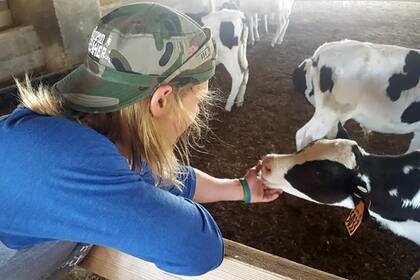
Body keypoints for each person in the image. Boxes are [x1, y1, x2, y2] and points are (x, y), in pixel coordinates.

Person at [0, 3, 282, 279]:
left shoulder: (72, 134)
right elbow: (197, 247)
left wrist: (241, 189)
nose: (197, 114)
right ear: (161, 99)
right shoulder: (70, 161)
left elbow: (150, 177)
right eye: (198, 101)